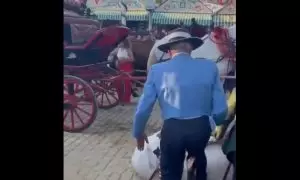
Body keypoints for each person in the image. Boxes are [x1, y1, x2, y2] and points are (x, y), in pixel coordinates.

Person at [132, 31, 228, 180]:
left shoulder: (157, 70)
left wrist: (138, 132)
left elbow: (143, 109)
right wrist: (212, 123)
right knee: (198, 167)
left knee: (170, 172)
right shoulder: (209, 67)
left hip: (172, 130)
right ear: (190, 49)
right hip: (200, 129)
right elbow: (221, 110)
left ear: (169, 51)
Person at [109, 38, 135, 103]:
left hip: (127, 67)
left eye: (121, 42)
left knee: (126, 84)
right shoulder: (117, 49)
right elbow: (111, 54)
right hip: (119, 67)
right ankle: (120, 98)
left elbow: (132, 59)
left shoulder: (128, 50)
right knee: (118, 83)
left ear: (124, 43)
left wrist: (124, 59)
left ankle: (126, 99)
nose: (119, 44)